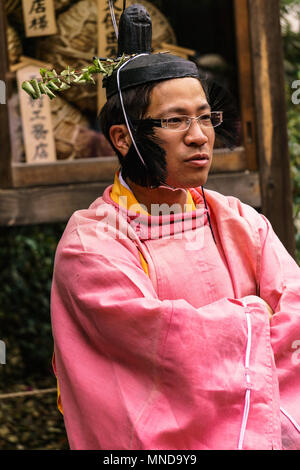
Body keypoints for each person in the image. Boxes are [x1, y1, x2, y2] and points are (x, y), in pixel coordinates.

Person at [50, 3, 300, 450]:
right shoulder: (92, 244)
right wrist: (254, 317)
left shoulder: (240, 221)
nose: (199, 135)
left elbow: (296, 314)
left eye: (205, 117)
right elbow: (163, 346)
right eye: (174, 120)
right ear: (123, 138)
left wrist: (241, 332)